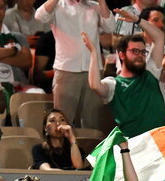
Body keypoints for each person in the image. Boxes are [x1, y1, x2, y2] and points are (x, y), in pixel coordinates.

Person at [86, 15, 165, 138]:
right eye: (135, 51)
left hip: (161, 141)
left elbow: (159, 37)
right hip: (134, 145)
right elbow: (95, 86)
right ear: (122, 55)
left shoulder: (151, 71)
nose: (140, 55)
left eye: (142, 52)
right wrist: (93, 53)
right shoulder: (114, 84)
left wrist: (138, 20)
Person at [35, 0, 113, 129]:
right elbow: (40, 16)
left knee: (92, 121)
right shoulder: (58, 5)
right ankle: (63, 149)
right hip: (66, 70)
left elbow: (110, 27)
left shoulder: (95, 6)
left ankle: (90, 149)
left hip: (93, 70)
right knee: (63, 121)